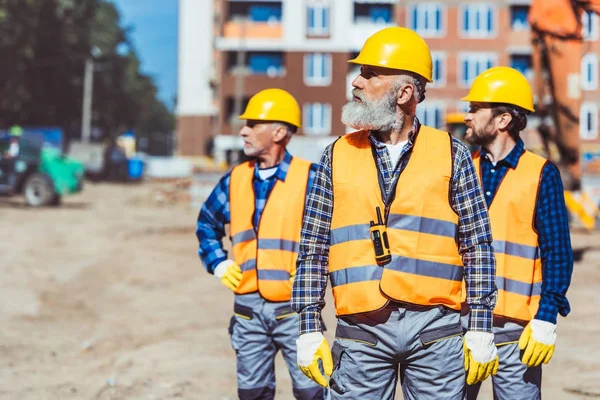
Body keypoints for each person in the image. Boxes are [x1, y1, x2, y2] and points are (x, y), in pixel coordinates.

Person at [291, 27, 499, 400]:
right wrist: (308, 325)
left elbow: (477, 244)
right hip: (361, 332)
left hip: (436, 332)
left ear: (403, 93)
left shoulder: (452, 154)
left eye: (370, 75)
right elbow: (312, 247)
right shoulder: (334, 155)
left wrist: (481, 325)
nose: (357, 81)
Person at [196, 88, 325, 400]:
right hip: (248, 312)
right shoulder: (235, 179)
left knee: (313, 393)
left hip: (296, 310)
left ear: (279, 132)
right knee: (253, 394)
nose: (243, 130)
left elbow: (335, 238)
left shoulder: (312, 178)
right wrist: (219, 262)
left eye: (253, 124)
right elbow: (206, 225)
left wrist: (315, 275)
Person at [461, 66, 573, 399]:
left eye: (475, 109)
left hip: (516, 330)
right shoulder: (462, 169)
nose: (467, 117)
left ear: (502, 121)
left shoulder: (541, 174)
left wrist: (546, 316)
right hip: (460, 322)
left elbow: (557, 251)